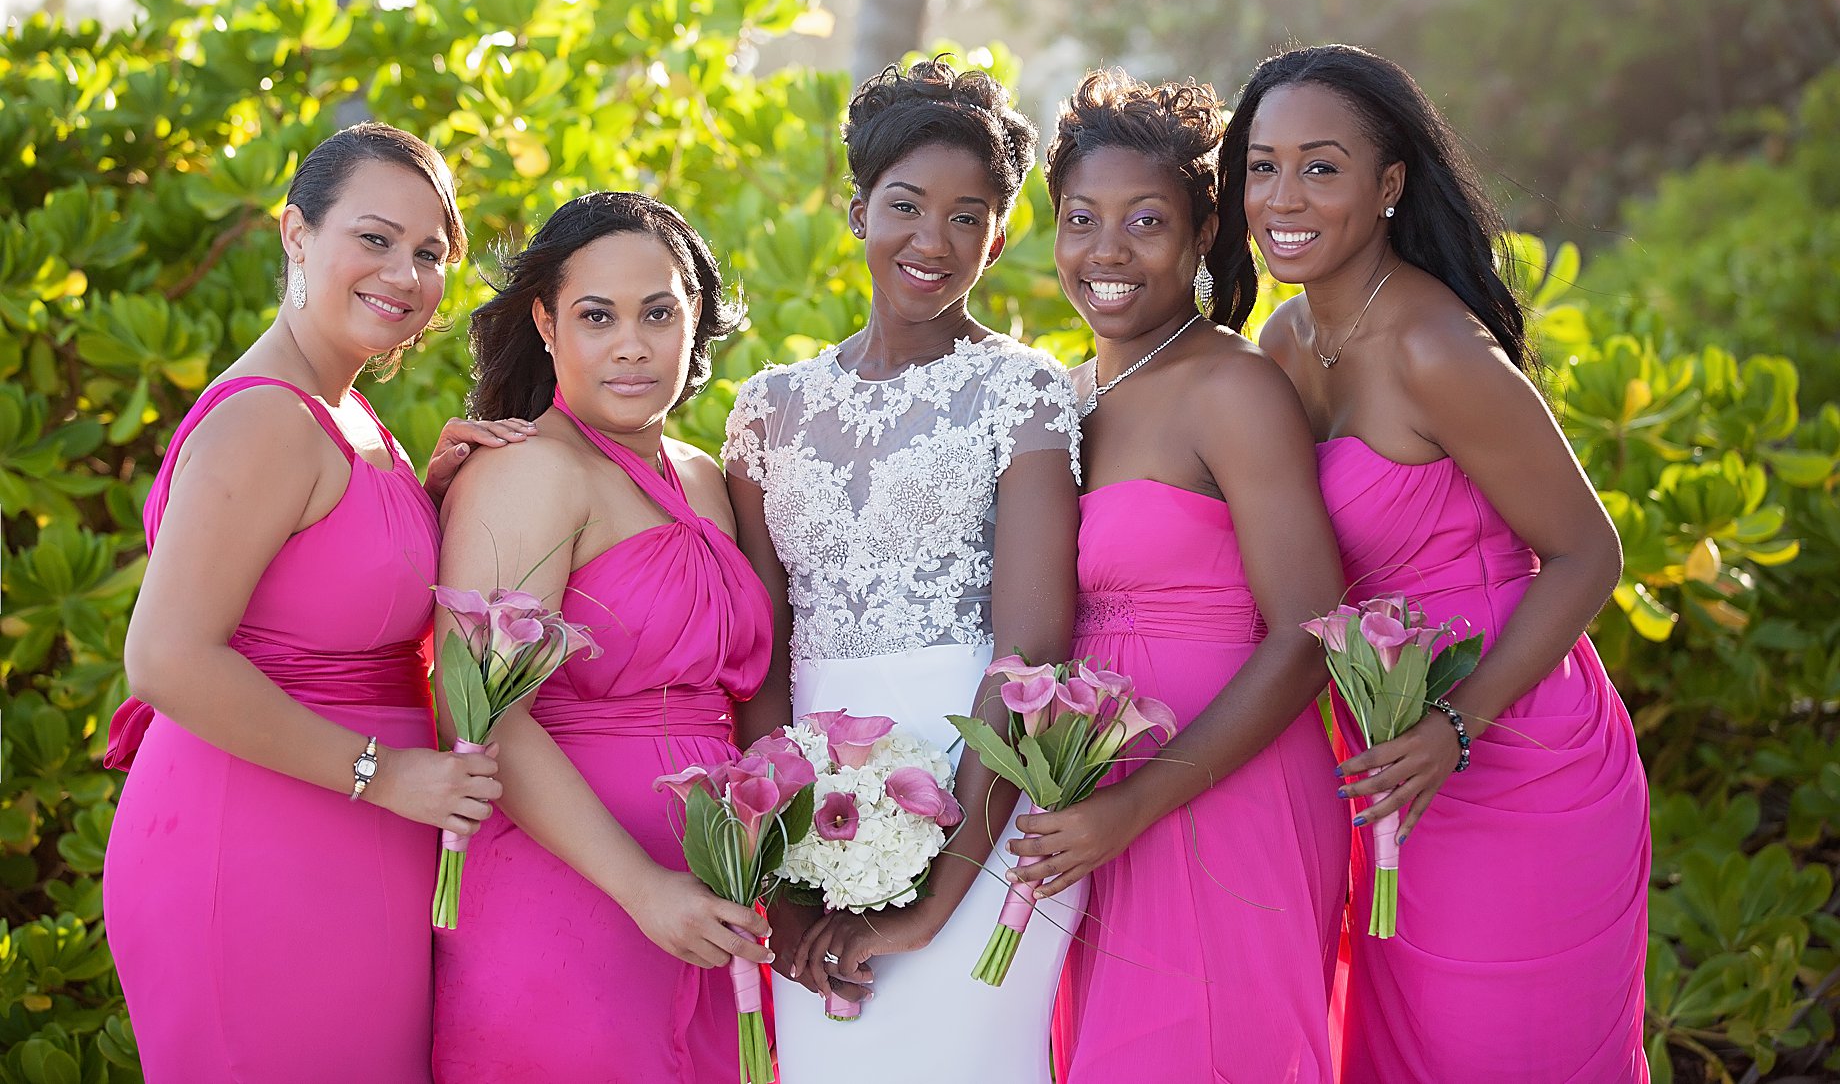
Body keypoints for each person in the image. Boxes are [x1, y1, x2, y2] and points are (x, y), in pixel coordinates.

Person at [1223, 44, 1649, 1081]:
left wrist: (1456, 724)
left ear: (1388, 187)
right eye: (1262, 165)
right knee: (1386, 1052)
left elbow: (1589, 553)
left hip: (1516, 758)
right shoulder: (1280, 343)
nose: (1284, 196)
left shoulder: (1436, 350)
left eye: (1320, 167)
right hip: (1384, 768)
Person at [103, 122, 522, 1083]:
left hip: (353, 835)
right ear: (296, 232)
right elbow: (166, 658)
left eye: (429, 253)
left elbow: (332, 583)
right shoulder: (265, 418)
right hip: (254, 842)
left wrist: (435, 495)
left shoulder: (343, 408)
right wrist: (385, 776)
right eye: (374, 239)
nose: (405, 273)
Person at [722, 59, 1084, 1083]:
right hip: (811, 812)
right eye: (906, 206)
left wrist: (941, 894)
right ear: (856, 210)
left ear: (1000, 239)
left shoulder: (1023, 394)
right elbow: (761, 655)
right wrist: (778, 871)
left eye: (968, 217)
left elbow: (1032, 651)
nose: (932, 240)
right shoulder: (768, 408)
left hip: (988, 803)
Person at [1000, 69, 1349, 1081]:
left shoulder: (1232, 388)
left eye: (1144, 221)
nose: (1106, 251)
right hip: (1091, 796)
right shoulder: (1058, 396)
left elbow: (1307, 633)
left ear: (1202, 235)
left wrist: (1132, 806)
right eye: (1081, 219)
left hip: (1220, 793)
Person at [431, 191, 774, 1082]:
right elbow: (482, 716)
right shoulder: (530, 470)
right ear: (546, 323)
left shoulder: (707, 477)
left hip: (714, 889)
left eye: (659, 313)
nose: (632, 344)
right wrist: (642, 888)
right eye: (597, 316)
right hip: (574, 890)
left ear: (694, 321)